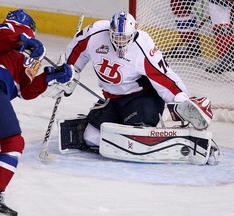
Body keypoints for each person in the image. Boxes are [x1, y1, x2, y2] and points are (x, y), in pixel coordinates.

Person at [0, 9, 74, 215]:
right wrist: (22, 40)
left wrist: (49, 76)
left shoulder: (19, 55)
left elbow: (25, 91)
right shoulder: (13, 31)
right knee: (14, 142)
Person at [64, 11, 212, 152]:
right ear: (110, 32)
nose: (120, 42)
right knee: (90, 137)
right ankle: (129, 144)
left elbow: (163, 76)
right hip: (112, 100)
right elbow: (76, 51)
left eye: (125, 37)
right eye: (116, 37)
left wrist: (181, 99)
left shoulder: (143, 45)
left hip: (141, 98)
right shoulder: (95, 33)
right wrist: (69, 73)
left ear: (134, 33)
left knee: (138, 135)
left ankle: (166, 142)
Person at [205, 0, 234, 73]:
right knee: (221, 28)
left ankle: (226, 60)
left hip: (221, 4)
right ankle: (227, 59)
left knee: (221, 28)